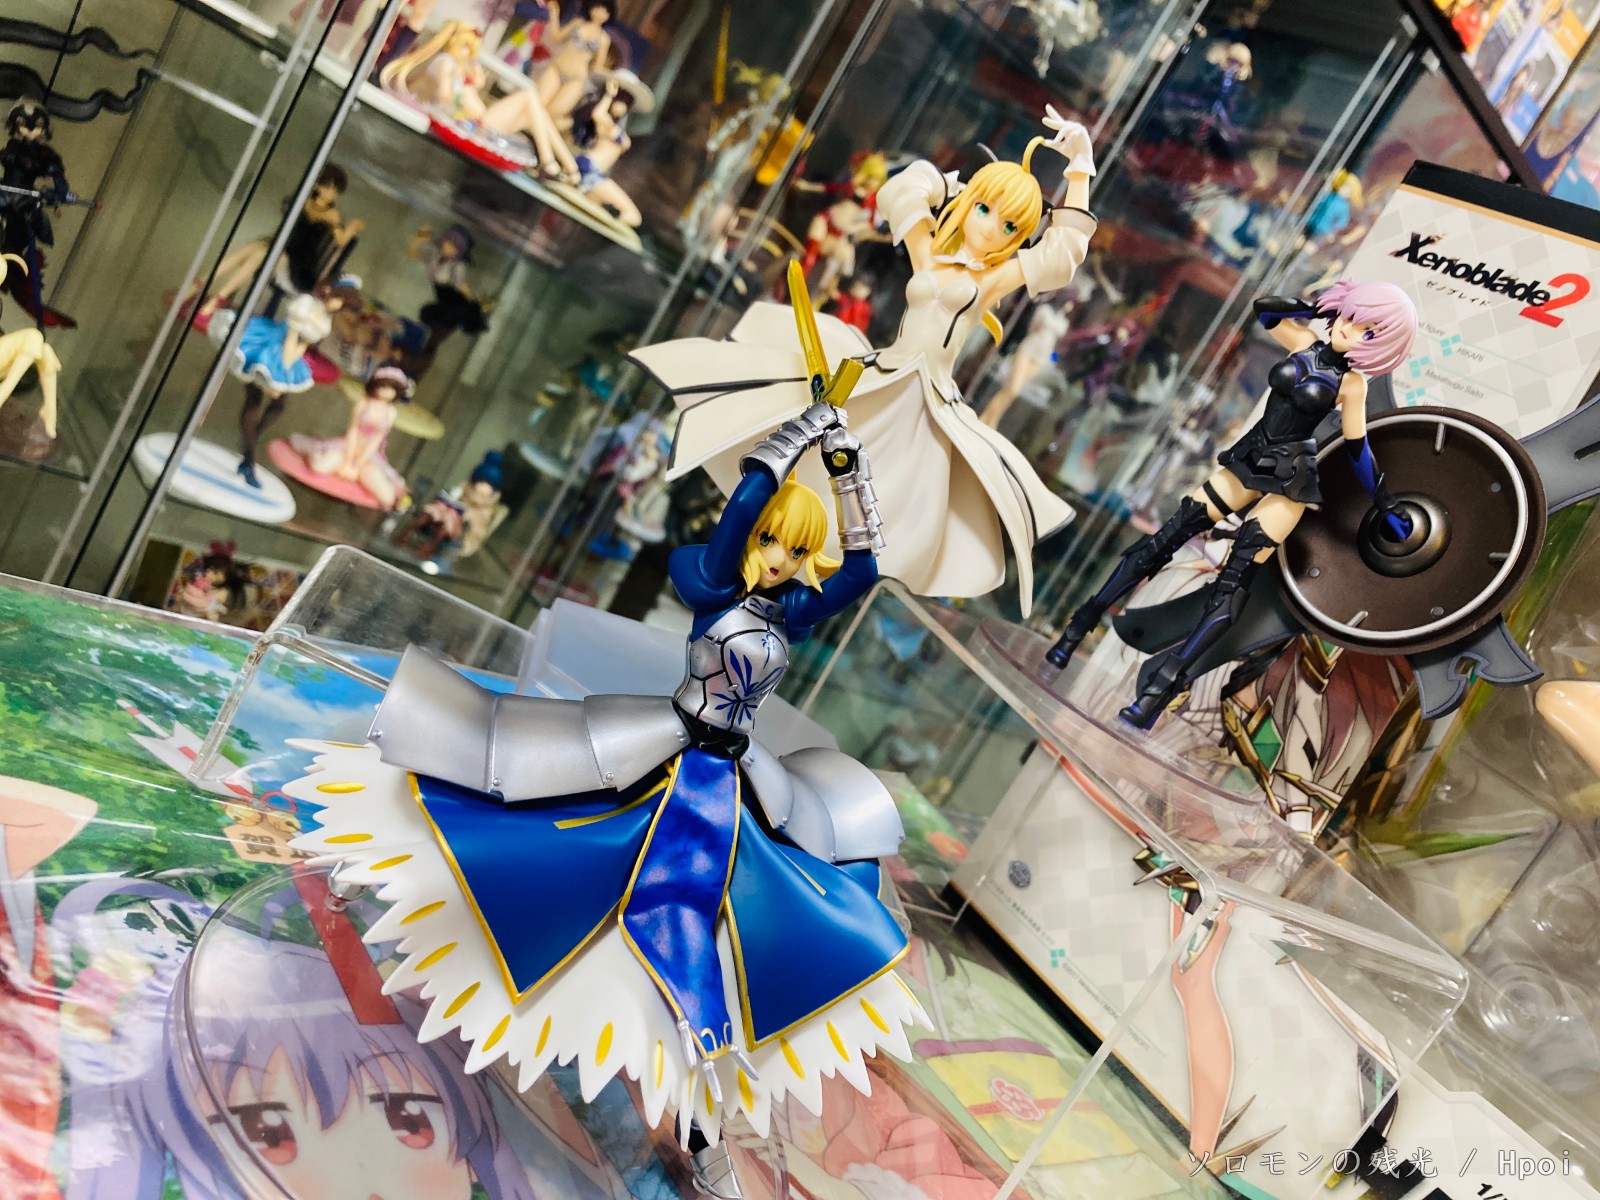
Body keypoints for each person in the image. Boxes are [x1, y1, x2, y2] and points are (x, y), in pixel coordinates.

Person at [289, 297, 923, 1200]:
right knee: (532, 806)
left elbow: (864, 567)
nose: (778, 558)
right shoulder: (716, 586)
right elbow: (745, 506)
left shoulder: (792, 614)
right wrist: (796, 437)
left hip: (729, 779)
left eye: (792, 549)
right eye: (772, 543)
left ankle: (700, 1126)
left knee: (720, 936)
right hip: (668, 748)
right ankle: (378, 895)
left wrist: (847, 463)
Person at [632, 107, 1099, 618]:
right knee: (793, 452)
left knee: (879, 508)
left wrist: (1080, 168)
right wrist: (951, 188)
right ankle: (743, 568)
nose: (991, 230)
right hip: (878, 375)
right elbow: (902, 190)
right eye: (985, 209)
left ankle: (794, 601)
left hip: (925, 399)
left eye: (1010, 225)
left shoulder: (991, 280)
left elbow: (1062, 253)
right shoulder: (929, 254)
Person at [1046, 280, 1419, 727]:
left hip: (1291, 479)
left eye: (1367, 331)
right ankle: (1078, 625)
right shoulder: (1302, 340)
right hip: (1249, 459)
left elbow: (1358, 448)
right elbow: (1265, 309)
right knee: (1163, 540)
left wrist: (1385, 502)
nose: (1349, 329)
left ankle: (1160, 688)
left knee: (1233, 582)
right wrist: (1317, 306)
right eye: (1351, 317)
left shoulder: (1353, 385)